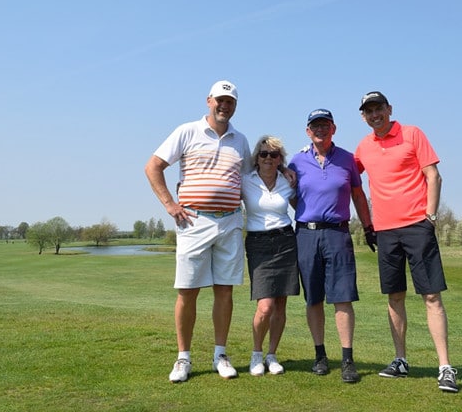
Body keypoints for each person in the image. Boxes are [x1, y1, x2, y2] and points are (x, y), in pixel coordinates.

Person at [354, 91, 458, 392]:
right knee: (395, 297)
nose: (375, 115)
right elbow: (347, 176)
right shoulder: (364, 146)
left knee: (431, 296)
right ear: (363, 116)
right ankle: (401, 360)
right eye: (369, 111)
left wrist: (431, 217)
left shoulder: (412, 134)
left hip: (417, 226)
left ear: (389, 109)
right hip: (386, 232)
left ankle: (445, 367)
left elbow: (433, 176)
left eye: (379, 109)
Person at [144, 80, 248, 383]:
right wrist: (169, 204)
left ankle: (220, 355)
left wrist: (283, 171)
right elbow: (153, 166)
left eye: (230, 102)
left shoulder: (240, 140)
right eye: (220, 100)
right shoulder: (187, 131)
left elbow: (250, 179)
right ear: (209, 101)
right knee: (188, 291)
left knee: (224, 290)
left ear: (235, 106)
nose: (224, 106)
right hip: (194, 221)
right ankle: (183, 358)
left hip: (230, 222)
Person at [288, 108, 374, 384]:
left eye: (325, 125)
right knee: (313, 298)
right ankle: (320, 356)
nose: (320, 130)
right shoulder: (297, 162)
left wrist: (369, 227)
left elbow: (359, 196)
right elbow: (291, 197)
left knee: (342, 297)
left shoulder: (348, 159)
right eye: (315, 126)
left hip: (338, 234)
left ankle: (348, 360)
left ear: (333, 128)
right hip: (306, 235)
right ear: (307, 131)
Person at [241, 135, 300, 376]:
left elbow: (301, 207)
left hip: (286, 240)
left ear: (280, 160)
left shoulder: (288, 182)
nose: (268, 158)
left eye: (274, 155)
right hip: (258, 243)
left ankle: (272, 354)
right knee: (265, 306)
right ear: (257, 157)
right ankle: (257, 354)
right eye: (264, 154)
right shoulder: (246, 180)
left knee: (280, 304)